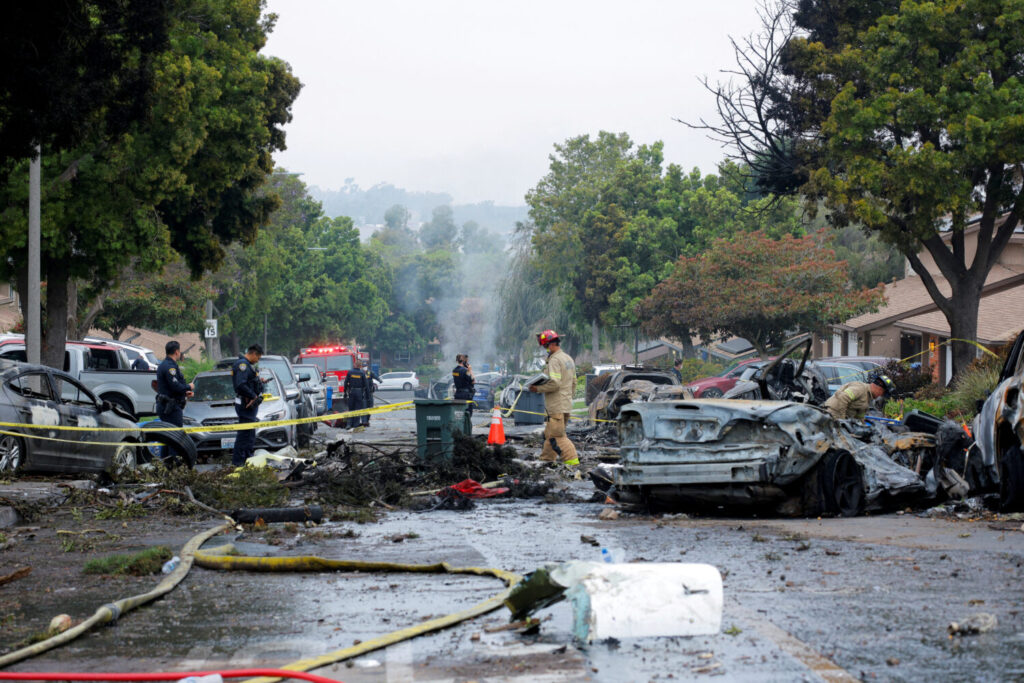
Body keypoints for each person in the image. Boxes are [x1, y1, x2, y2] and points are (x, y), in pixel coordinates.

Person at [528, 329, 579, 466]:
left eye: (545, 346)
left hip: (556, 406)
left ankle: (573, 462)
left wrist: (537, 388)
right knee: (550, 434)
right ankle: (546, 460)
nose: (545, 350)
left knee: (557, 437)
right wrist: (568, 398)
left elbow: (555, 383)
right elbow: (574, 381)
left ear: (551, 344)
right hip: (565, 404)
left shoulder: (555, 360)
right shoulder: (568, 358)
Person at [231, 344, 266, 467]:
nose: (258, 360)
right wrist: (253, 396)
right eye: (258, 358)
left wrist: (258, 382)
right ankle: (239, 462)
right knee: (245, 435)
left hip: (249, 405)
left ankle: (247, 460)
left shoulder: (247, 365)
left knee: (249, 434)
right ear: (254, 353)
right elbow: (240, 385)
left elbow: (248, 382)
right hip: (245, 404)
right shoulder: (243, 365)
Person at [824, 373, 895, 420]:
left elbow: (860, 416)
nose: (880, 396)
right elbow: (843, 397)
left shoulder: (868, 397)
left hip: (843, 418)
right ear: (879, 388)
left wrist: (862, 427)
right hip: (833, 414)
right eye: (882, 393)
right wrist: (842, 420)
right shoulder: (860, 389)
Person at [155, 341, 193, 427]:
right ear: (176, 352)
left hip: (169, 406)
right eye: (179, 351)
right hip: (170, 408)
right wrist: (189, 387)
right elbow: (175, 386)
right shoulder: (170, 367)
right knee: (176, 433)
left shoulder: (165, 364)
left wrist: (185, 393)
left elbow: (170, 387)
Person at [344, 358, 370, 430]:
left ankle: (349, 424)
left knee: (351, 408)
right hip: (359, 392)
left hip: (351, 392)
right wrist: (368, 396)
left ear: (355, 364)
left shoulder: (350, 372)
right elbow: (366, 385)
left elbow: (345, 383)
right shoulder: (362, 373)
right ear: (360, 366)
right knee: (358, 409)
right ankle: (356, 425)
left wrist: (345, 392)